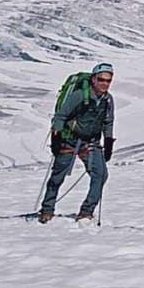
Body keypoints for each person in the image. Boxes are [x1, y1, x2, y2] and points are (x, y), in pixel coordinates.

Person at [39, 62, 117, 223]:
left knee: (100, 175)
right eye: (101, 79)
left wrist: (108, 142)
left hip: (91, 142)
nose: (105, 83)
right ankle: (47, 209)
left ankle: (86, 211)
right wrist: (57, 136)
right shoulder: (80, 95)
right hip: (69, 140)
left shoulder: (108, 100)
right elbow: (61, 116)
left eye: (108, 80)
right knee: (57, 177)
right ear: (94, 79)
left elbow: (108, 122)